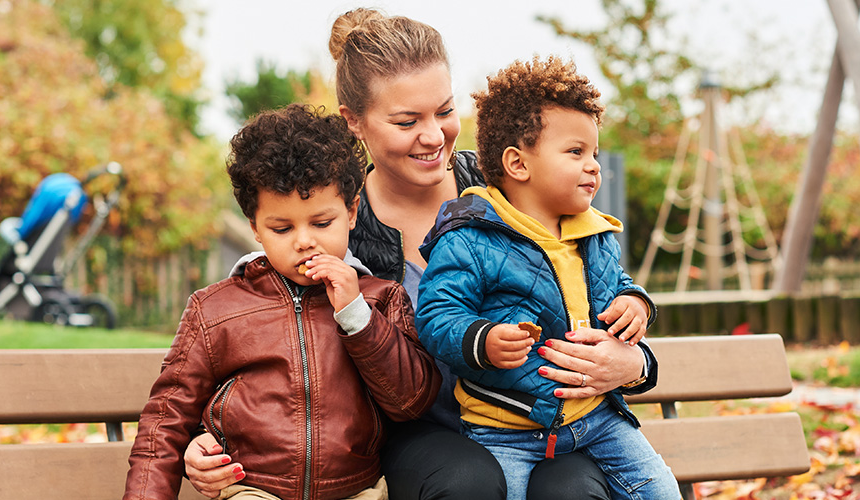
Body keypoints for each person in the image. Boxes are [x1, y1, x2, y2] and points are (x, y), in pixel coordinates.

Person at [184, 9, 659, 500]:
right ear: (355, 122)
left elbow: (602, 287)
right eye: (407, 121)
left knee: (571, 490)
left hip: (539, 421)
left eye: (445, 111)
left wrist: (635, 363)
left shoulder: (511, 186)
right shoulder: (336, 225)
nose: (434, 136)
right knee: (466, 481)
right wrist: (205, 436)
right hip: (418, 431)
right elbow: (271, 337)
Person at [123, 104, 441, 500]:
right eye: (281, 227)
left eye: (321, 223)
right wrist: (194, 450)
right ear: (255, 227)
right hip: (253, 490)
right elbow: (166, 419)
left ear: (352, 211)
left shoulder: (380, 298)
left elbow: (411, 400)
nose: (304, 241)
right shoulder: (216, 309)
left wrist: (357, 316)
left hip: (356, 491)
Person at [414, 55, 679, 500]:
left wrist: (635, 303)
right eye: (576, 152)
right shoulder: (470, 238)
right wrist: (483, 340)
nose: (594, 165)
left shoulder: (593, 232)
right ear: (518, 164)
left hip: (598, 419)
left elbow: (616, 283)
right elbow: (438, 315)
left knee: (660, 491)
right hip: (504, 430)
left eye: (593, 152)